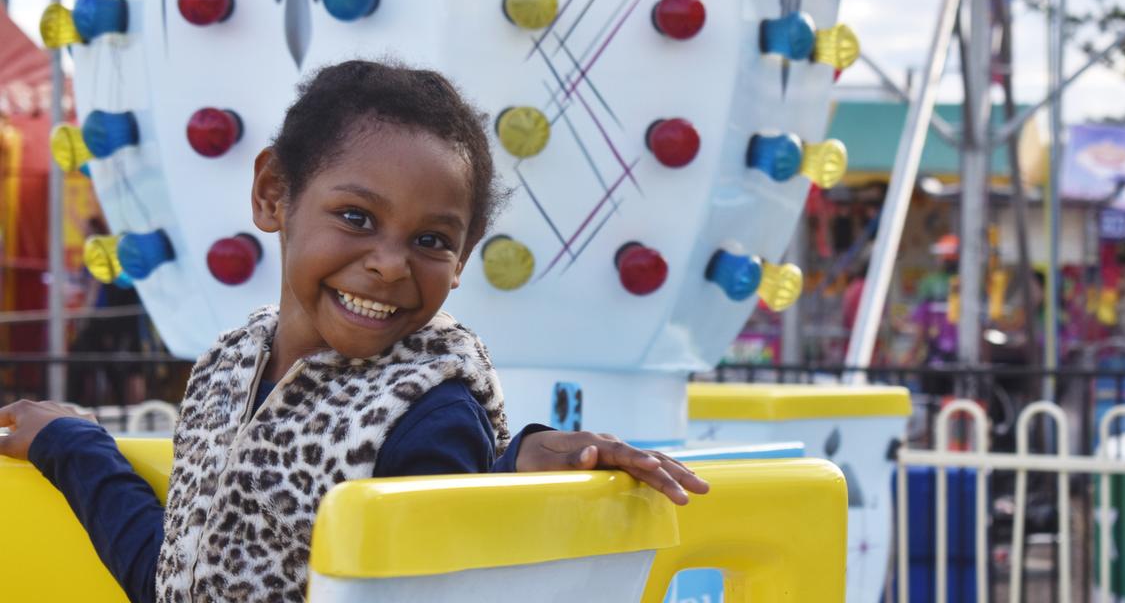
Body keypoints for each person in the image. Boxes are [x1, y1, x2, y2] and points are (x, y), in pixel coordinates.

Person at [0, 61, 708, 603]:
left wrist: (505, 468)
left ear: (461, 260)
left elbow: (441, 573)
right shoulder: (228, 367)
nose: (390, 265)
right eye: (357, 218)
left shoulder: (427, 411)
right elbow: (177, 578)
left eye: (431, 239)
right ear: (274, 193)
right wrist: (74, 445)